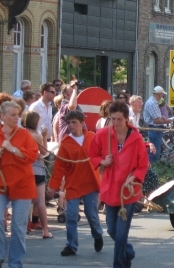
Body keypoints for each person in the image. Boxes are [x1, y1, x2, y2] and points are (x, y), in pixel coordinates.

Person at [89, 100, 148, 268]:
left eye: (119, 119)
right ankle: (128, 252)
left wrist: (135, 177)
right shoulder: (102, 135)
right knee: (112, 230)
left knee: (121, 232)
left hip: (128, 191)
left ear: (127, 119)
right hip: (110, 189)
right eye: (113, 119)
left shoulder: (136, 138)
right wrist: (102, 161)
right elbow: (92, 155)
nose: (115, 123)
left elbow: (143, 164)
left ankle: (119, 264)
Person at [0, 100, 39, 268]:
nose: (17, 117)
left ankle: (15, 262)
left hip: (22, 184)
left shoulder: (24, 134)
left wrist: (12, 148)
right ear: (2, 116)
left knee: (19, 226)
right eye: (13, 115)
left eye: (18, 114)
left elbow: (32, 156)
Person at [47, 110, 103, 257]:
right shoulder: (65, 143)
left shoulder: (92, 137)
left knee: (91, 214)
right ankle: (71, 246)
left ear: (82, 123)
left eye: (74, 122)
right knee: (71, 215)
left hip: (90, 182)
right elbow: (59, 167)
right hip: (73, 183)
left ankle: (97, 234)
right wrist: (53, 186)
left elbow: (102, 155)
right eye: (69, 122)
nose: (71, 125)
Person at [21, 110, 52, 238]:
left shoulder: (20, 134)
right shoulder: (36, 135)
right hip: (37, 169)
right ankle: (45, 230)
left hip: (24, 169)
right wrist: (44, 136)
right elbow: (44, 152)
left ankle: (23, 227)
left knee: (24, 200)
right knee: (40, 201)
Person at [143, 86, 170, 164]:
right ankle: (152, 168)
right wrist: (167, 121)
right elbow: (156, 120)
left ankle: (152, 167)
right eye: (162, 94)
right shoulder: (152, 103)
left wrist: (162, 117)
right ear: (159, 94)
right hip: (155, 129)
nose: (162, 96)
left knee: (156, 150)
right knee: (154, 151)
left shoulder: (153, 102)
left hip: (155, 129)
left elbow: (157, 117)